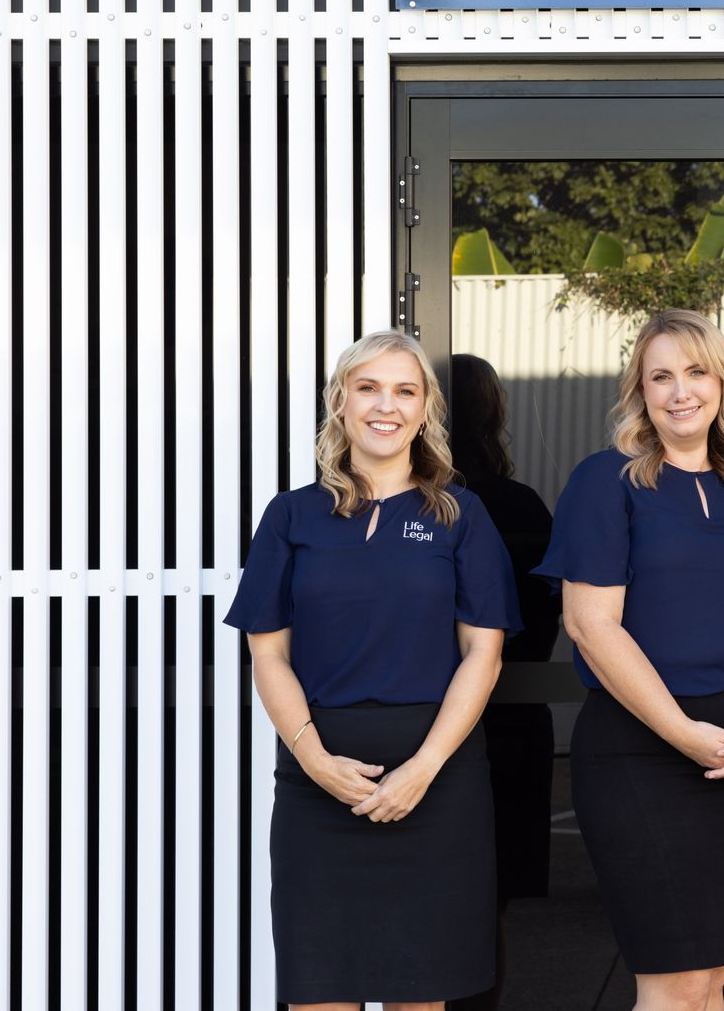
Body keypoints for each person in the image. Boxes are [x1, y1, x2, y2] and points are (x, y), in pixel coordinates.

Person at [225, 330, 523, 1011]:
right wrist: (312, 758)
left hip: (436, 787)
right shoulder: (290, 516)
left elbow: (485, 652)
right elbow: (267, 653)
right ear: (340, 402)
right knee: (319, 994)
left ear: (425, 411)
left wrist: (423, 768)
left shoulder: (460, 516)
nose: (385, 405)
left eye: (404, 390)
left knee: (420, 997)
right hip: (316, 787)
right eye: (368, 387)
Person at [537, 309, 724, 1011]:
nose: (680, 390)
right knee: (676, 982)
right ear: (640, 390)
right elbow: (590, 625)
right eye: (661, 375)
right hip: (645, 754)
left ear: (723, 384)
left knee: (713, 979)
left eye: (696, 371)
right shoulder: (608, 481)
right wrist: (684, 733)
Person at [447, 353, 556, 1011]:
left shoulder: (417, 507)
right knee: (488, 907)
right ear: (493, 414)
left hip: (439, 724)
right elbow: (544, 621)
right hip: (512, 723)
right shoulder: (520, 506)